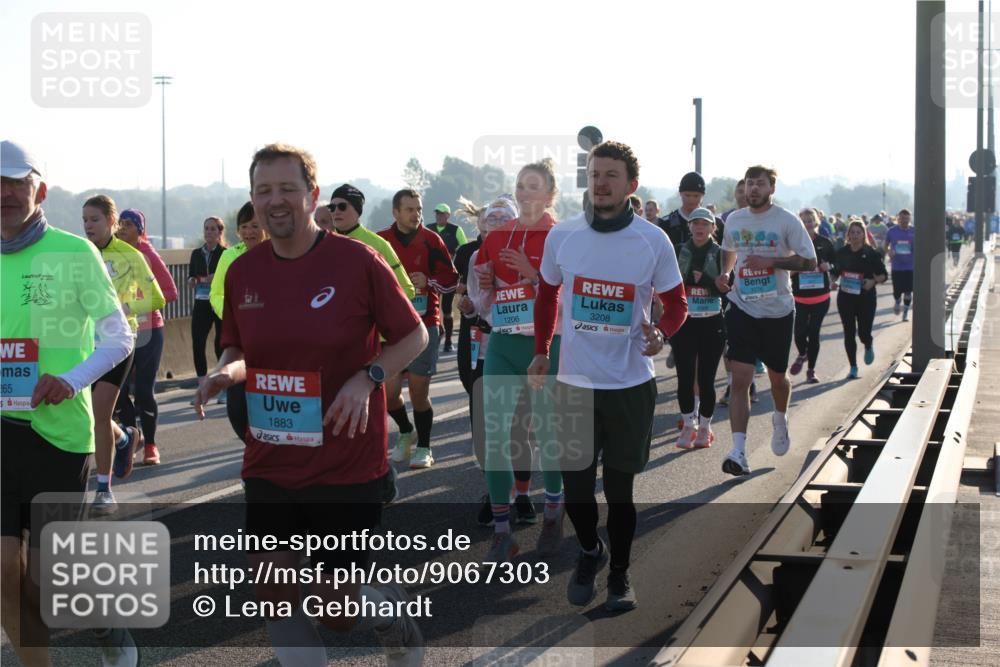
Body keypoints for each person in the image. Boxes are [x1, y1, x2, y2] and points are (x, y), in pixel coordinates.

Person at [194, 143, 428, 667]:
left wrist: (366, 380)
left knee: (335, 609)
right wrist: (222, 373)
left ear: (312, 195)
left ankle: (391, 619)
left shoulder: (356, 261)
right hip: (271, 454)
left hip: (345, 462)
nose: (274, 201)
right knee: (271, 588)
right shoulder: (243, 271)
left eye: (286, 189)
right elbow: (238, 349)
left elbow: (414, 338)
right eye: (262, 191)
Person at [529, 140, 688, 612]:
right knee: (577, 490)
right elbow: (546, 295)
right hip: (575, 385)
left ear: (630, 185)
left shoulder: (651, 241)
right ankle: (588, 550)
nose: (600, 183)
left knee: (619, 492)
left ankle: (620, 574)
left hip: (629, 386)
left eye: (610, 176)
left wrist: (662, 331)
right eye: (595, 174)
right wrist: (541, 351)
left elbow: (676, 304)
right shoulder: (565, 236)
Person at [2, 141, 136, 666]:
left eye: (16, 182)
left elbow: (119, 337)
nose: (5, 194)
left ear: (40, 189)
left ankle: (105, 623)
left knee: (44, 590)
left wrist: (71, 379)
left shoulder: (74, 254)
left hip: (58, 439)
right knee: (2, 583)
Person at [473, 159, 566, 562]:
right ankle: (501, 529)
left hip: (547, 345)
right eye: (520, 186)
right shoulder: (497, 236)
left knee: (548, 435)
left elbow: (574, 295)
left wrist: (533, 274)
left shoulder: (562, 236)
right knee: (495, 437)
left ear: (549, 194)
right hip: (504, 343)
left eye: (533, 186)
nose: (525, 193)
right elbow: (481, 298)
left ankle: (552, 514)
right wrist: (485, 285)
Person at [717, 165, 817, 477]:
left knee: (777, 378)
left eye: (760, 184)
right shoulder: (734, 219)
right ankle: (738, 451)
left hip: (777, 311)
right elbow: (728, 250)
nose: (753, 189)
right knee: (740, 379)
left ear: (771, 188)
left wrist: (771, 261)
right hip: (742, 307)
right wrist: (725, 274)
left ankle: (780, 417)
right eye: (749, 184)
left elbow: (809, 261)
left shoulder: (786, 220)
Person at [83, 195, 165, 511]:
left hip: (119, 341)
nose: (89, 226)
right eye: (85, 220)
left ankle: (104, 490)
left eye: (95, 220)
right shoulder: (80, 254)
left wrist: (125, 307)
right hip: (85, 343)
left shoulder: (131, 255)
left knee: (100, 414)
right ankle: (124, 438)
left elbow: (157, 298)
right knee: (91, 414)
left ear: (112, 223)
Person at [453, 196, 523, 526]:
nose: (492, 229)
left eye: (501, 223)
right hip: (479, 345)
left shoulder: (522, 251)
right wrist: (469, 304)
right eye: (488, 224)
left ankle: (520, 495)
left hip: (517, 345)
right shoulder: (471, 254)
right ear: (480, 228)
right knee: (485, 423)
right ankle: (495, 492)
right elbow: (475, 304)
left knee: (519, 424)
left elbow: (542, 296)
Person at [378, 190, 459, 469]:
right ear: (395, 213)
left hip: (424, 325)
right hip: (389, 330)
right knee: (388, 394)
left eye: (419, 208)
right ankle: (405, 431)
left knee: (418, 391)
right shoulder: (380, 242)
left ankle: (424, 446)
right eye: (409, 209)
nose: (417, 214)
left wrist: (429, 279)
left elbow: (451, 281)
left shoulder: (431, 240)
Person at [115, 208, 178, 465]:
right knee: (117, 391)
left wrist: (134, 304)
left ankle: (151, 445)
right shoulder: (112, 253)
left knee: (143, 390)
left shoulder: (148, 254)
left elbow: (170, 292)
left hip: (149, 330)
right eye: (120, 224)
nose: (123, 228)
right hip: (120, 332)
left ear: (140, 230)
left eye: (129, 224)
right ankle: (132, 438)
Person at [210, 201, 269, 438]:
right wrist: (237, 317)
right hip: (241, 342)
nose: (249, 232)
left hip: (274, 343)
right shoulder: (229, 256)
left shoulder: (281, 253)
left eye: (255, 226)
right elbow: (216, 293)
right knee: (236, 408)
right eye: (244, 227)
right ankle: (253, 450)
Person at [670, 207, 728, 449]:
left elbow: (725, 286)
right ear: (689, 227)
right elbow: (673, 282)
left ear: (713, 228)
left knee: (706, 379)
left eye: (705, 224)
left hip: (712, 321)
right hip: (685, 322)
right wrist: (703, 280)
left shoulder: (722, 253)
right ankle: (688, 425)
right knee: (684, 377)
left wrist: (703, 280)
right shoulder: (680, 250)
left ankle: (705, 427)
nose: (700, 228)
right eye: (695, 224)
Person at [328, 184, 415, 300]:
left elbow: (407, 290)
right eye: (332, 207)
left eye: (342, 206)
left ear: (357, 209)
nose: (336, 212)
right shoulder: (324, 243)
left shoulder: (379, 245)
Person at [831, 220, 887, 378]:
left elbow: (883, 275)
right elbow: (835, 272)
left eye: (858, 232)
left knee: (863, 332)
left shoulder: (871, 253)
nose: (855, 235)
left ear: (864, 234)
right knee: (849, 333)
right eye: (852, 232)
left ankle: (868, 344)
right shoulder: (841, 253)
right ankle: (853, 366)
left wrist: (873, 281)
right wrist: (833, 281)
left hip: (866, 298)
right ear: (848, 235)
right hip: (846, 298)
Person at [789, 208, 837, 384]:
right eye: (804, 221)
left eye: (811, 220)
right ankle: (803, 354)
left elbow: (836, 263)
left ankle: (811, 370)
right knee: (799, 333)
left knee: (814, 333)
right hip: (799, 297)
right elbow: (785, 267)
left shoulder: (825, 243)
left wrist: (829, 268)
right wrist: (794, 270)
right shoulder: (793, 244)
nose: (808, 223)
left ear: (816, 222)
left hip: (821, 296)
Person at [188, 216, 226, 386]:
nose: (209, 232)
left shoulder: (225, 254)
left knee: (221, 343)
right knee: (198, 342)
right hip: (201, 302)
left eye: (212, 229)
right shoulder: (196, 253)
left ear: (219, 232)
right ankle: (202, 384)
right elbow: (191, 274)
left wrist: (217, 278)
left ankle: (224, 384)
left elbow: (232, 278)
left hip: (220, 302)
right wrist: (191, 280)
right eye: (206, 228)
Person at [428, 203, 468, 354]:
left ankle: (449, 341)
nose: (439, 216)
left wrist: (455, 260)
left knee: (446, 309)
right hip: (433, 275)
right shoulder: (428, 228)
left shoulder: (456, 230)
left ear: (448, 215)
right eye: (437, 213)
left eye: (442, 213)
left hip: (450, 275)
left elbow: (464, 250)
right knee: (433, 308)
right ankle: (437, 336)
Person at [657, 171, 725, 246]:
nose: (691, 200)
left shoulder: (717, 224)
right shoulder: (666, 223)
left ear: (703, 195)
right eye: (687, 195)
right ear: (680, 194)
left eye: (696, 196)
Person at [884, 208, 915, 320]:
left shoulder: (914, 231)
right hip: (896, 266)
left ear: (909, 219)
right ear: (898, 219)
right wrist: (889, 252)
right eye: (902, 218)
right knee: (897, 291)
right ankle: (897, 301)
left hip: (910, 266)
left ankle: (905, 313)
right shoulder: (892, 231)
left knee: (908, 291)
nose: (904, 221)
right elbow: (885, 245)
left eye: (906, 218)